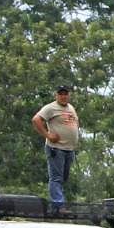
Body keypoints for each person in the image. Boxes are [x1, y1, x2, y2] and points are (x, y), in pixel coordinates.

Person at [32, 85, 80, 214]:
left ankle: (57, 204)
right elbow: (36, 120)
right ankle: (58, 205)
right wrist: (47, 135)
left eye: (65, 94)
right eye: (61, 94)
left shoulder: (71, 108)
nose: (63, 96)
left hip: (69, 149)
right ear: (56, 95)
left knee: (63, 177)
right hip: (56, 148)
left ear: (68, 95)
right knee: (56, 178)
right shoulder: (51, 107)